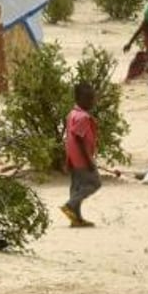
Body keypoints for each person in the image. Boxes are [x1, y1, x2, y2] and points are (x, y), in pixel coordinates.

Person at [61, 82, 101, 228]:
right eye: (88, 99)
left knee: (76, 187)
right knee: (94, 183)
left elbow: (68, 137)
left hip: (73, 157)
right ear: (79, 99)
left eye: (93, 98)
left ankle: (76, 219)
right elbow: (78, 138)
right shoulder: (83, 117)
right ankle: (70, 205)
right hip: (82, 160)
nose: (92, 102)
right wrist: (89, 160)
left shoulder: (72, 114)